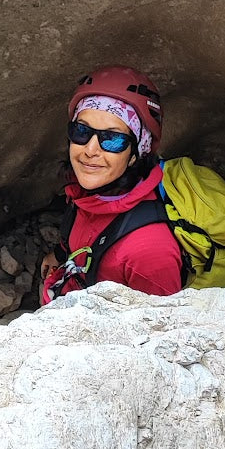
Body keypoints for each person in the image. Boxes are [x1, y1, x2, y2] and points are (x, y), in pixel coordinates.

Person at [40, 66, 184, 304]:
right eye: (82, 131)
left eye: (113, 139)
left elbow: (159, 331)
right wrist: (60, 255)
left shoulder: (149, 250)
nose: (90, 149)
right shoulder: (88, 192)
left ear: (137, 152)